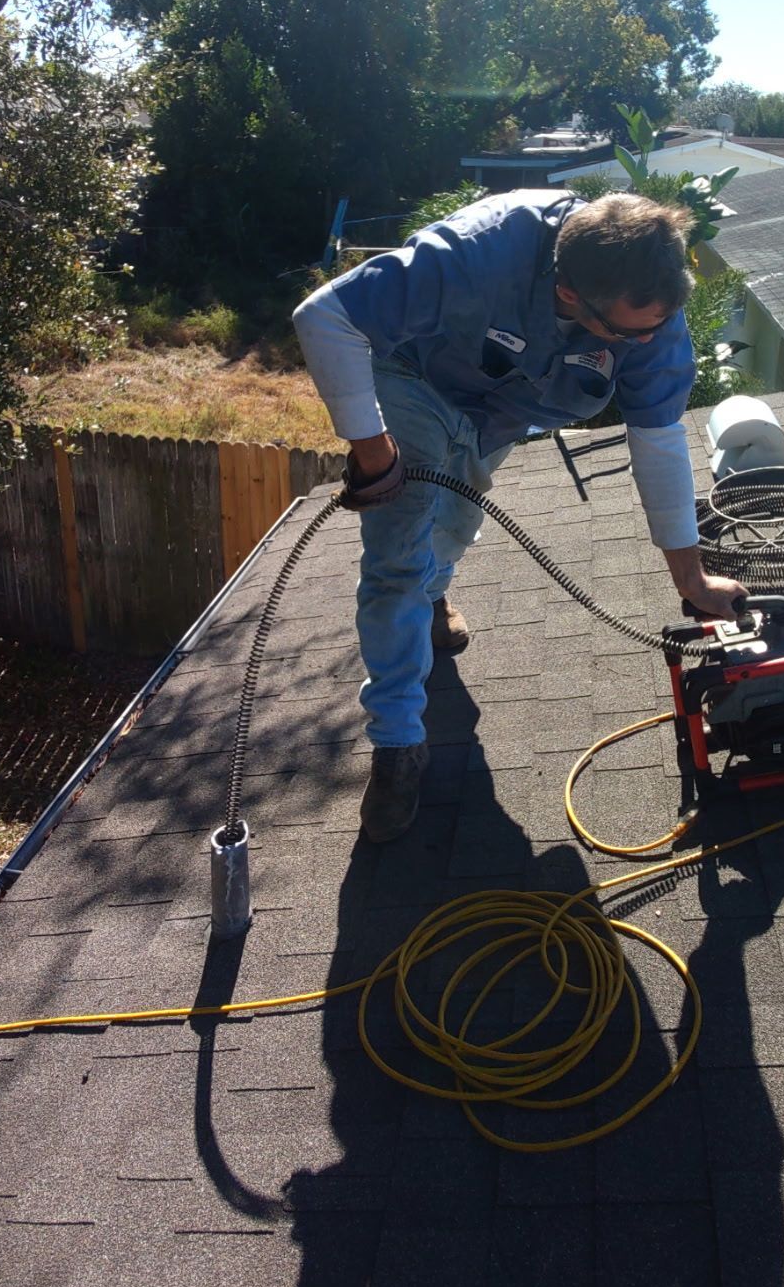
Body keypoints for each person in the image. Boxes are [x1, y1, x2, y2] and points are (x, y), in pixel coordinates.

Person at [292, 188, 748, 841]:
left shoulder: (650, 305)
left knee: (450, 530)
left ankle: (434, 596)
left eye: (655, 327)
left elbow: (658, 439)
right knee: (399, 549)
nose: (647, 342)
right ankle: (397, 742)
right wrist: (372, 449)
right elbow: (323, 317)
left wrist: (692, 579)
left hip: (500, 413)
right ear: (567, 294)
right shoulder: (476, 254)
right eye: (628, 332)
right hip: (413, 378)